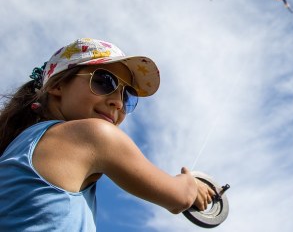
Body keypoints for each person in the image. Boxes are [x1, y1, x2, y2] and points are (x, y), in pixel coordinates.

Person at [0, 38, 215, 231]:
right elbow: (180, 197)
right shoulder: (94, 134)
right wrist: (190, 183)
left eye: (127, 95)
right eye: (104, 81)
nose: (118, 102)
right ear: (57, 85)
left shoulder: (18, 146)